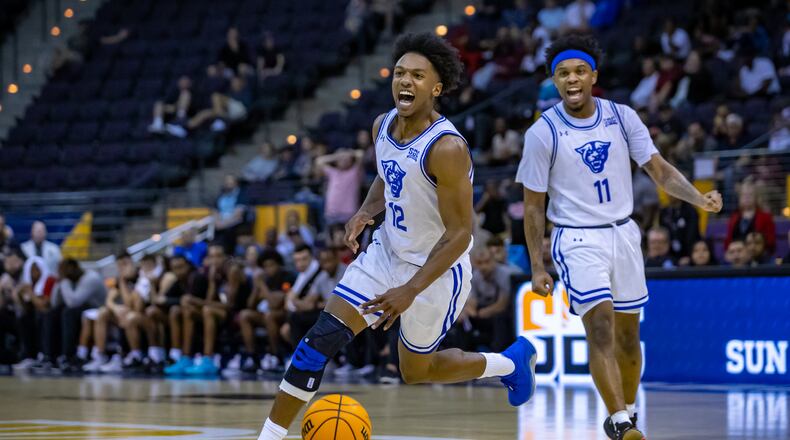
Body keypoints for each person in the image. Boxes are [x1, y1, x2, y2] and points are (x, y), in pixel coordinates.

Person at [257, 32, 537, 440]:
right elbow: (388, 176)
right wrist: (366, 211)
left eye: (418, 76)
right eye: (400, 73)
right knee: (318, 341)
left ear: (436, 88)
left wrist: (410, 289)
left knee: (416, 371)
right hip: (387, 252)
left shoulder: (446, 148)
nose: (405, 82)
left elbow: (461, 234)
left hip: (438, 270)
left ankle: (510, 363)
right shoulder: (382, 125)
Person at [516, 34, 722, 440]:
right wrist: (538, 264)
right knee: (602, 326)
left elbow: (659, 170)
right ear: (554, 82)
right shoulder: (542, 133)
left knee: (629, 335)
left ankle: (628, 414)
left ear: (593, 74)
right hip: (576, 239)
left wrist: (699, 198)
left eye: (578, 71)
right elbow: (534, 206)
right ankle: (619, 421)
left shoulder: (623, 116)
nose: (571, 79)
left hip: (624, 235)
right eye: (562, 74)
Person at [725, 180, 776, 256]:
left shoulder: (766, 217)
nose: (747, 198)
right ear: (740, 198)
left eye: (750, 195)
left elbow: (771, 242)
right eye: (744, 195)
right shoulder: (734, 217)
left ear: (756, 198)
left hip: (759, 256)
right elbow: (728, 242)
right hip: (736, 256)